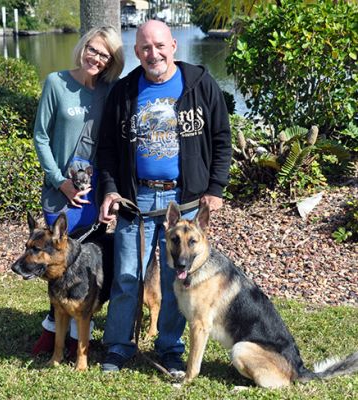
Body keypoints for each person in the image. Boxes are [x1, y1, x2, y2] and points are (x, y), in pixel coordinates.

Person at [97, 20, 231, 376]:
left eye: (158, 46)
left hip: (184, 201)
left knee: (177, 280)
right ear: (136, 52)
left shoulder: (200, 84)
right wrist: (110, 189)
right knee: (127, 275)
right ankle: (118, 346)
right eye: (143, 48)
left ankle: (170, 347)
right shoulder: (124, 91)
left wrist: (215, 188)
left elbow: (221, 137)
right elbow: (108, 149)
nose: (152, 53)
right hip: (135, 199)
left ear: (173, 45)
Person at [32, 26, 124, 357]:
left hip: (94, 193)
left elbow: (112, 144)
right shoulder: (57, 82)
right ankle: (50, 331)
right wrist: (60, 181)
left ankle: (74, 337)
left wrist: (109, 194)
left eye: (105, 54)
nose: (96, 58)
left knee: (82, 267)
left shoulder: (110, 91)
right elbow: (41, 136)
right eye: (93, 49)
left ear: (112, 60)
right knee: (56, 265)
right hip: (61, 191)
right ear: (83, 47)